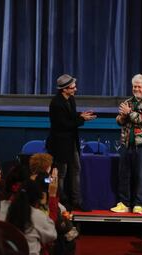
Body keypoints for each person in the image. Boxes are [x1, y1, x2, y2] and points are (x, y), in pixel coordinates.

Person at [46, 74, 96, 212]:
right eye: (73, 87)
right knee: (61, 174)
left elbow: (71, 117)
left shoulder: (71, 99)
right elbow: (64, 124)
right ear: (64, 89)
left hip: (72, 142)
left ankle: (77, 201)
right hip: (60, 144)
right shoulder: (56, 103)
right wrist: (82, 120)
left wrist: (80, 115)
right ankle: (61, 201)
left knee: (76, 170)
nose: (76, 89)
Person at [110, 74, 142, 214]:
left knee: (140, 175)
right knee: (124, 175)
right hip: (126, 144)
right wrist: (122, 117)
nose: (136, 89)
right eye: (134, 86)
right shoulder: (128, 102)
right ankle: (124, 203)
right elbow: (119, 121)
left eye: (139, 86)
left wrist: (129, 113)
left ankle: (138, 204)